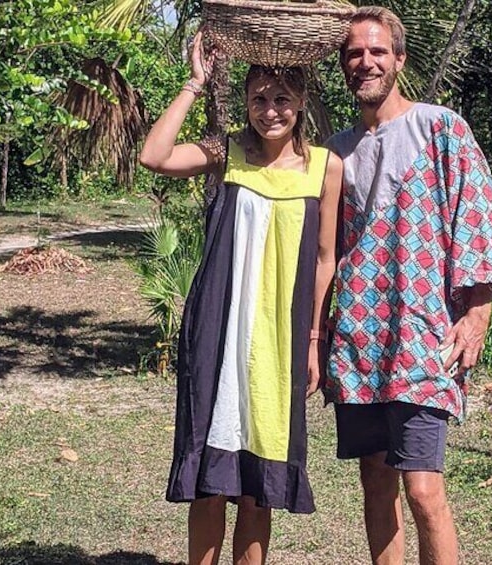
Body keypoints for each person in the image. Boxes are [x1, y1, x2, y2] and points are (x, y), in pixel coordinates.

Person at [139, 32, 342, 565]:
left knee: (261, 474)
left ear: (300, 103)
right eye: (258, 98)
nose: (269, 111)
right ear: (245, 102)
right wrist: (193, 83)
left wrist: (315, 340)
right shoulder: (226, 151)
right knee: (210, 473)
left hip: (282, 337)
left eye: (281, 99)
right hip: (219, 326)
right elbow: (153, 155)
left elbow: (325, 259)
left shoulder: (326, 167)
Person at [324, 7, 492, 565]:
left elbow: (475, 220)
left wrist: (476, 315)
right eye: (355, 53)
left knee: (424, 491)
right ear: (343, 66)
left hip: (423, 339)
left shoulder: (441, 128)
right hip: (360, 342)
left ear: (399, 59)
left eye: (378, 51)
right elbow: (325, 253)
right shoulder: (336, 151)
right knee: (376, 485)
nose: (366, 62)